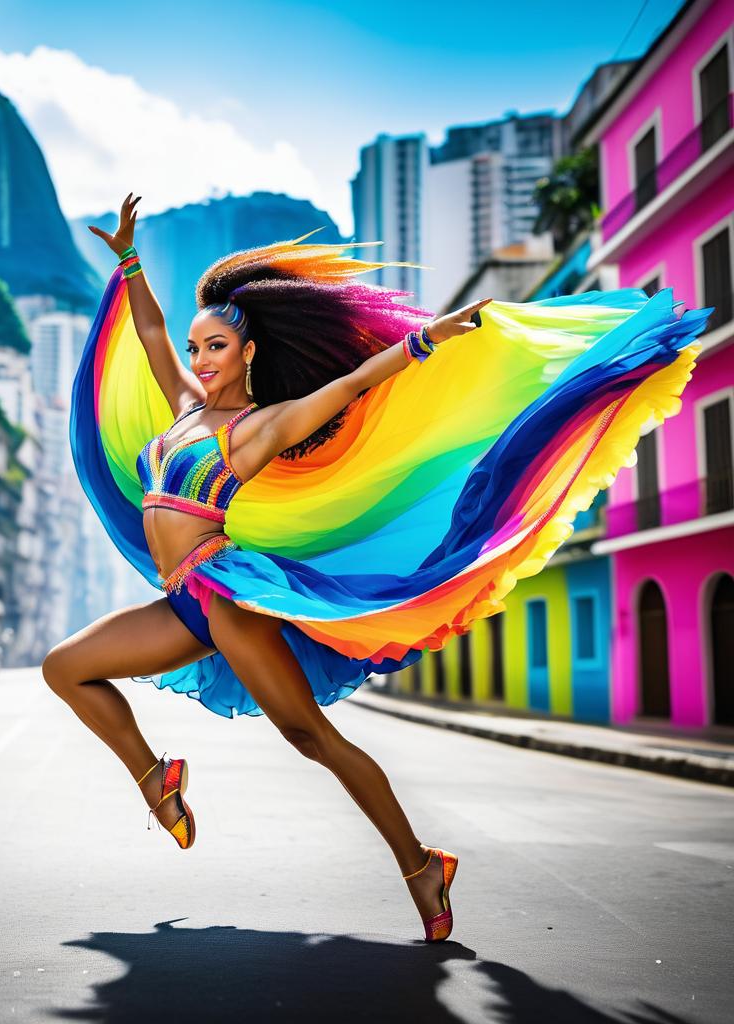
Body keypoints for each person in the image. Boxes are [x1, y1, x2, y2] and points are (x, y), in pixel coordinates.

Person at [43, 193, 706, 943]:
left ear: (249, 352)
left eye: (216, 348)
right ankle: (156, 779)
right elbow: (153, 330)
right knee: (66, 666)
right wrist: (129, 259)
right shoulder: (184, 410)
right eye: (197, 349)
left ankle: (420, 864)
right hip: (183, 601)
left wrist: (423, 343)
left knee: (311, 738)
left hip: (226, 597)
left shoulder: (254, 429)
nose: (199, 359)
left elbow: (346, 388)